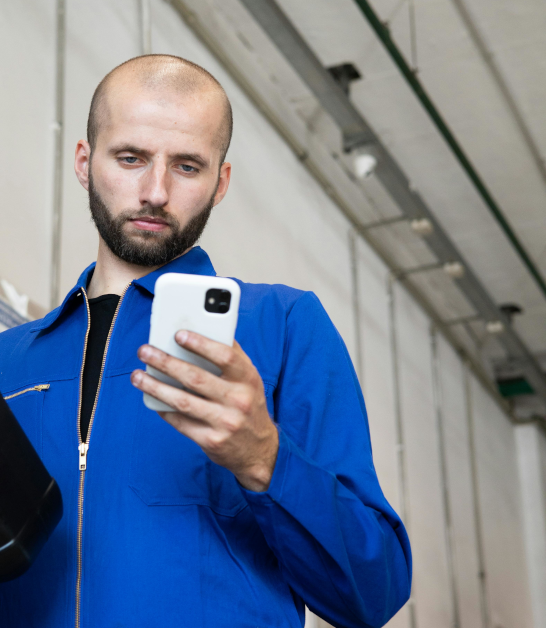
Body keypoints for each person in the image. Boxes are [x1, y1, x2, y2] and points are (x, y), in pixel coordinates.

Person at [0, 55, 411, 627]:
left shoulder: (283, 327)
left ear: (220, 182)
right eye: (130, 158)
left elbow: (374, 590)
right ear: (85, 162)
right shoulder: (8, 361)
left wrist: (265, 460)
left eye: (187, 166)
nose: (156, 191)